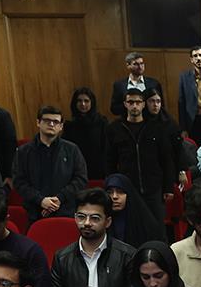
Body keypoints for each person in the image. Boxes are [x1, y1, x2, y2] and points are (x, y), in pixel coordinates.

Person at [49, 188, 135, 287]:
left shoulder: (127, 256)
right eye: (81, 217)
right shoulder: (62, 258)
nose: (87, 223)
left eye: (95, 218)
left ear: (108, 222)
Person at [105, 87, 176, 225]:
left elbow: (166, 159)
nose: (134, 106)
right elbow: (109, 161)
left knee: (156, 227)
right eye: (130, 102)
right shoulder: (115, 129)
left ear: (143, 104)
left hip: (154, 187)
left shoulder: (156, 127)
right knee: (132, 227)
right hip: (128, 188)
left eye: (138, 102)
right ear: (125, 104)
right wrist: (112, 188)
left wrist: (168, 187)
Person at [12, 105, 88, 223]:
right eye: (47, 120)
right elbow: (19, 182)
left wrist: (60, 198)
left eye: (56, 122)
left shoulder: (72, 150)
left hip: (66, 211)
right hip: (34, 213)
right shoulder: (23, 152)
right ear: (38, 122)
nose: (51, 124)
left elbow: (81, 179)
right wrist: (41, 200)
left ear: (61, 126)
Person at [104, 172, 163, 249]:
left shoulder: (144, 222)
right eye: (110, 192)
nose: (114, 196)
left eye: (120, 192)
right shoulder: (101, 220)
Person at [64, 87, 109, 181]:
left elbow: (106, 148)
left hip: (98, 169)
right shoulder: (69, 126)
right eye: (79, 101)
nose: (83, 104)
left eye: (86, 101)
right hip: (77, 170)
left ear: (92, 103)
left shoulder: (102, 122)